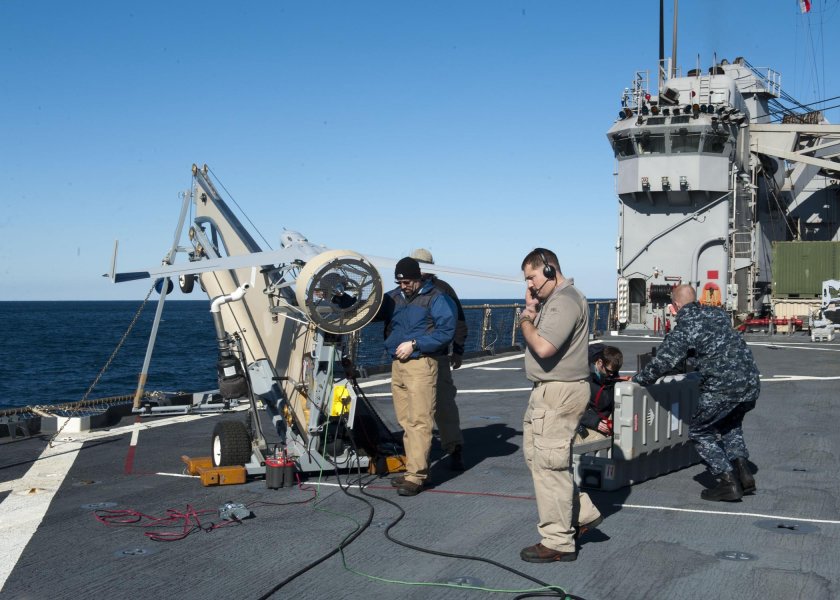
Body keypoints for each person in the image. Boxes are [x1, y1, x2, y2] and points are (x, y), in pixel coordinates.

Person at [631, 284, 760, 502]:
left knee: (700, 431)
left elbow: (663, 362)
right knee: (730, 424)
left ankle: (727, 482)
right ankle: (744, 474)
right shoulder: (717, 314)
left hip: (724, 386)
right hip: (750, 382)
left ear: (675, 306)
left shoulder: (685, 326)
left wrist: (637, 381)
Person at [517, 248, 603, 563]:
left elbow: (542, 345)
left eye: (533, 278)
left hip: (559, 393)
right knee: (538, 459)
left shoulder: (565, 301)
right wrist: (534, 308)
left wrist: (525, 317)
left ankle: (557, 541)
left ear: (550, 270)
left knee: (550, 466)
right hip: (549, 391)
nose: (530, 286)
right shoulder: (555, 301)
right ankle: (584, 514)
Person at [379, 257, 457, 496]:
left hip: (421, 363)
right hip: (398, 364)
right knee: (405, 421)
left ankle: (417, 476)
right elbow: (370, 312)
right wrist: (343, 299)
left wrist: (416, 344)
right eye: (400, 282)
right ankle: (413, 469)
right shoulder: (393, 297)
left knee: (419, 421)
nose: (403, 286)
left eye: (408, 282)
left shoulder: (436, 298)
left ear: (418, 278)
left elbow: (446, 331)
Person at [410, 248, 466, 471]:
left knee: (443, 408)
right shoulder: (406, 291)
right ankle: (418, 459)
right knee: (417, 413)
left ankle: (453, 450)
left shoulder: (442, 290)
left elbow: (458, 321)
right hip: (413, 359)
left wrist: (458, 351)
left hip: (436, 357)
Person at [575, 345, 623, 443]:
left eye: (615, 372)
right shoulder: (582, 375)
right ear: (600, 362)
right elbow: (571, 406)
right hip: (583, 420)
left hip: (604, 418)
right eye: (609, 371)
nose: (612, 375)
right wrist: (595, 422)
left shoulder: (611, 373)